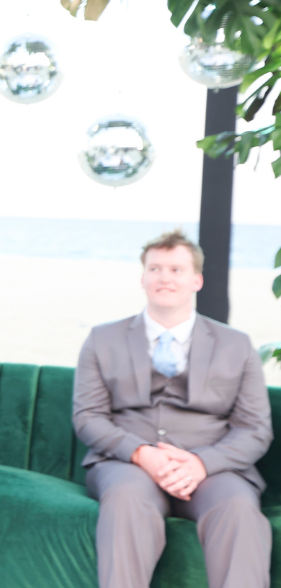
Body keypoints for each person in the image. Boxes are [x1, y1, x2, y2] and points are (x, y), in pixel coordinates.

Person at [73, 229, 273, 588]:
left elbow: (255, 429)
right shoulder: (102, 339)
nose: (164, 277)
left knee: (238, 509)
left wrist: (202, 463)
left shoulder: (236, 344)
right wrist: (141, 454)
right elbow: (88, 417)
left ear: (196, 280)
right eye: (155, 269)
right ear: (143, 278)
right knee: (124, 501)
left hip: (215, 469)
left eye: (176, 269)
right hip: (126, 465)